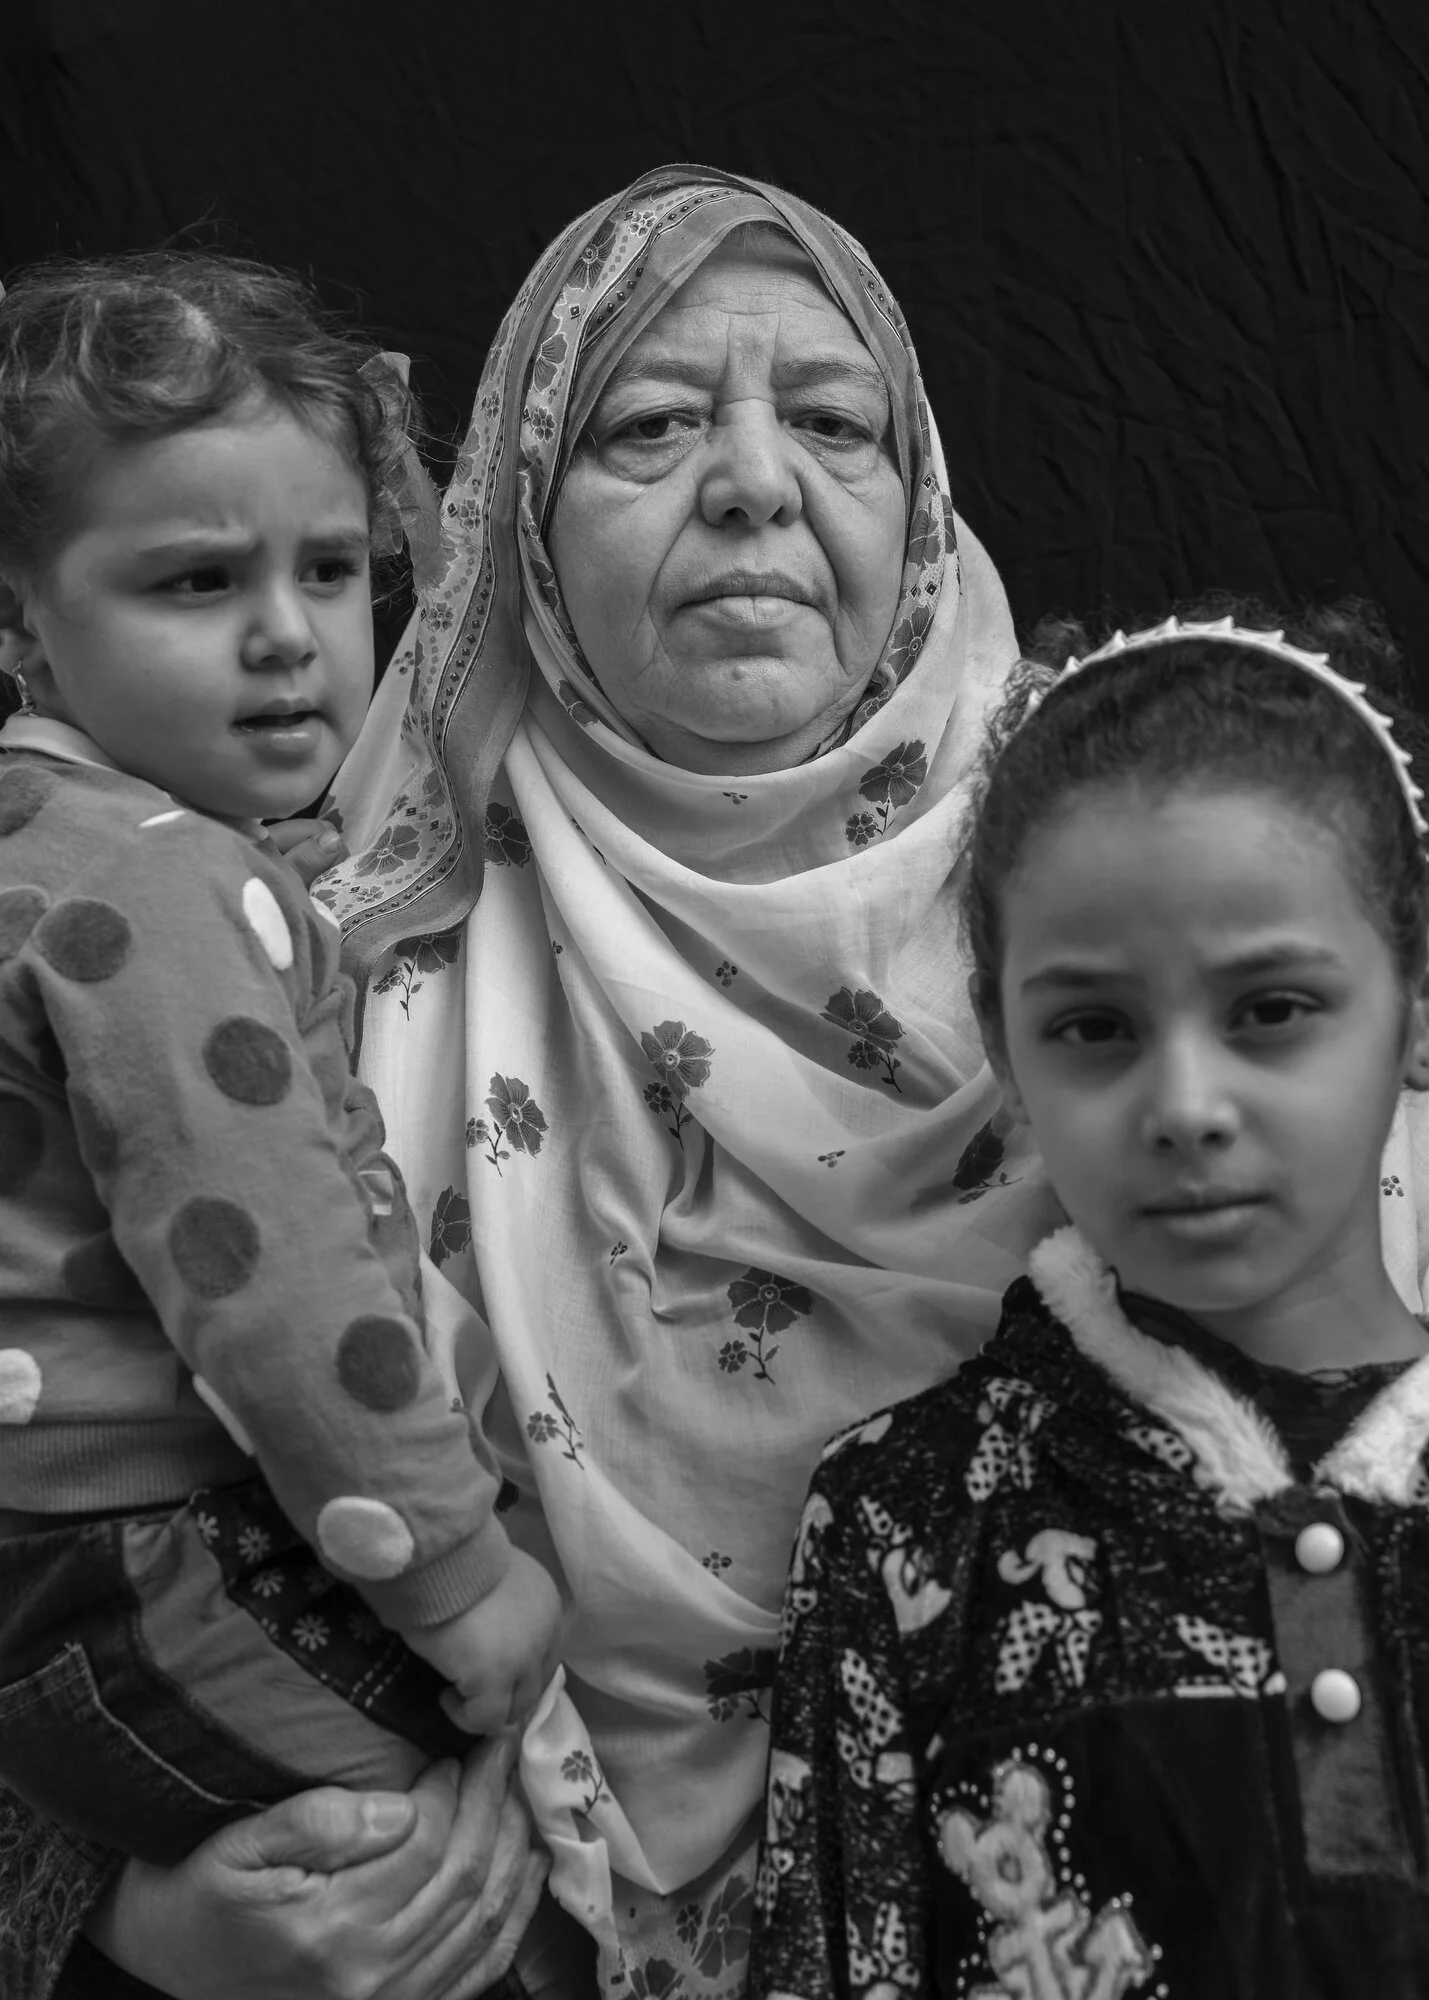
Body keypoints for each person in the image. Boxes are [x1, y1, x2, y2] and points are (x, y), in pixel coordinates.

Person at [5, 166, 1428, 2000]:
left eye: (834, 422)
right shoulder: (290, 978)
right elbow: (52, 1504)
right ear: (508, 520)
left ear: (921, 508)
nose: (755, 481)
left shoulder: (1179, 919)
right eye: (653, 424)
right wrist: (143, 1921)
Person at [750, 601, 1429, 1998]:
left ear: (1416, 1009)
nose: (1185, 1106)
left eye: (1272, 1010)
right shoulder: (909, 1516)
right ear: (1005, 1045)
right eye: (1095, 1029)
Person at [0, 250, 561, 1877]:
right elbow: (281, 1279)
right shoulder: (162, 883)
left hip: (59, 1558)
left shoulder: (57, 839)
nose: (287, 638)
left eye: (330, 569)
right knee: (480, 1803)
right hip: (141, 1557)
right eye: (192, 584)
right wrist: (457, 1577)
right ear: (21, 624)